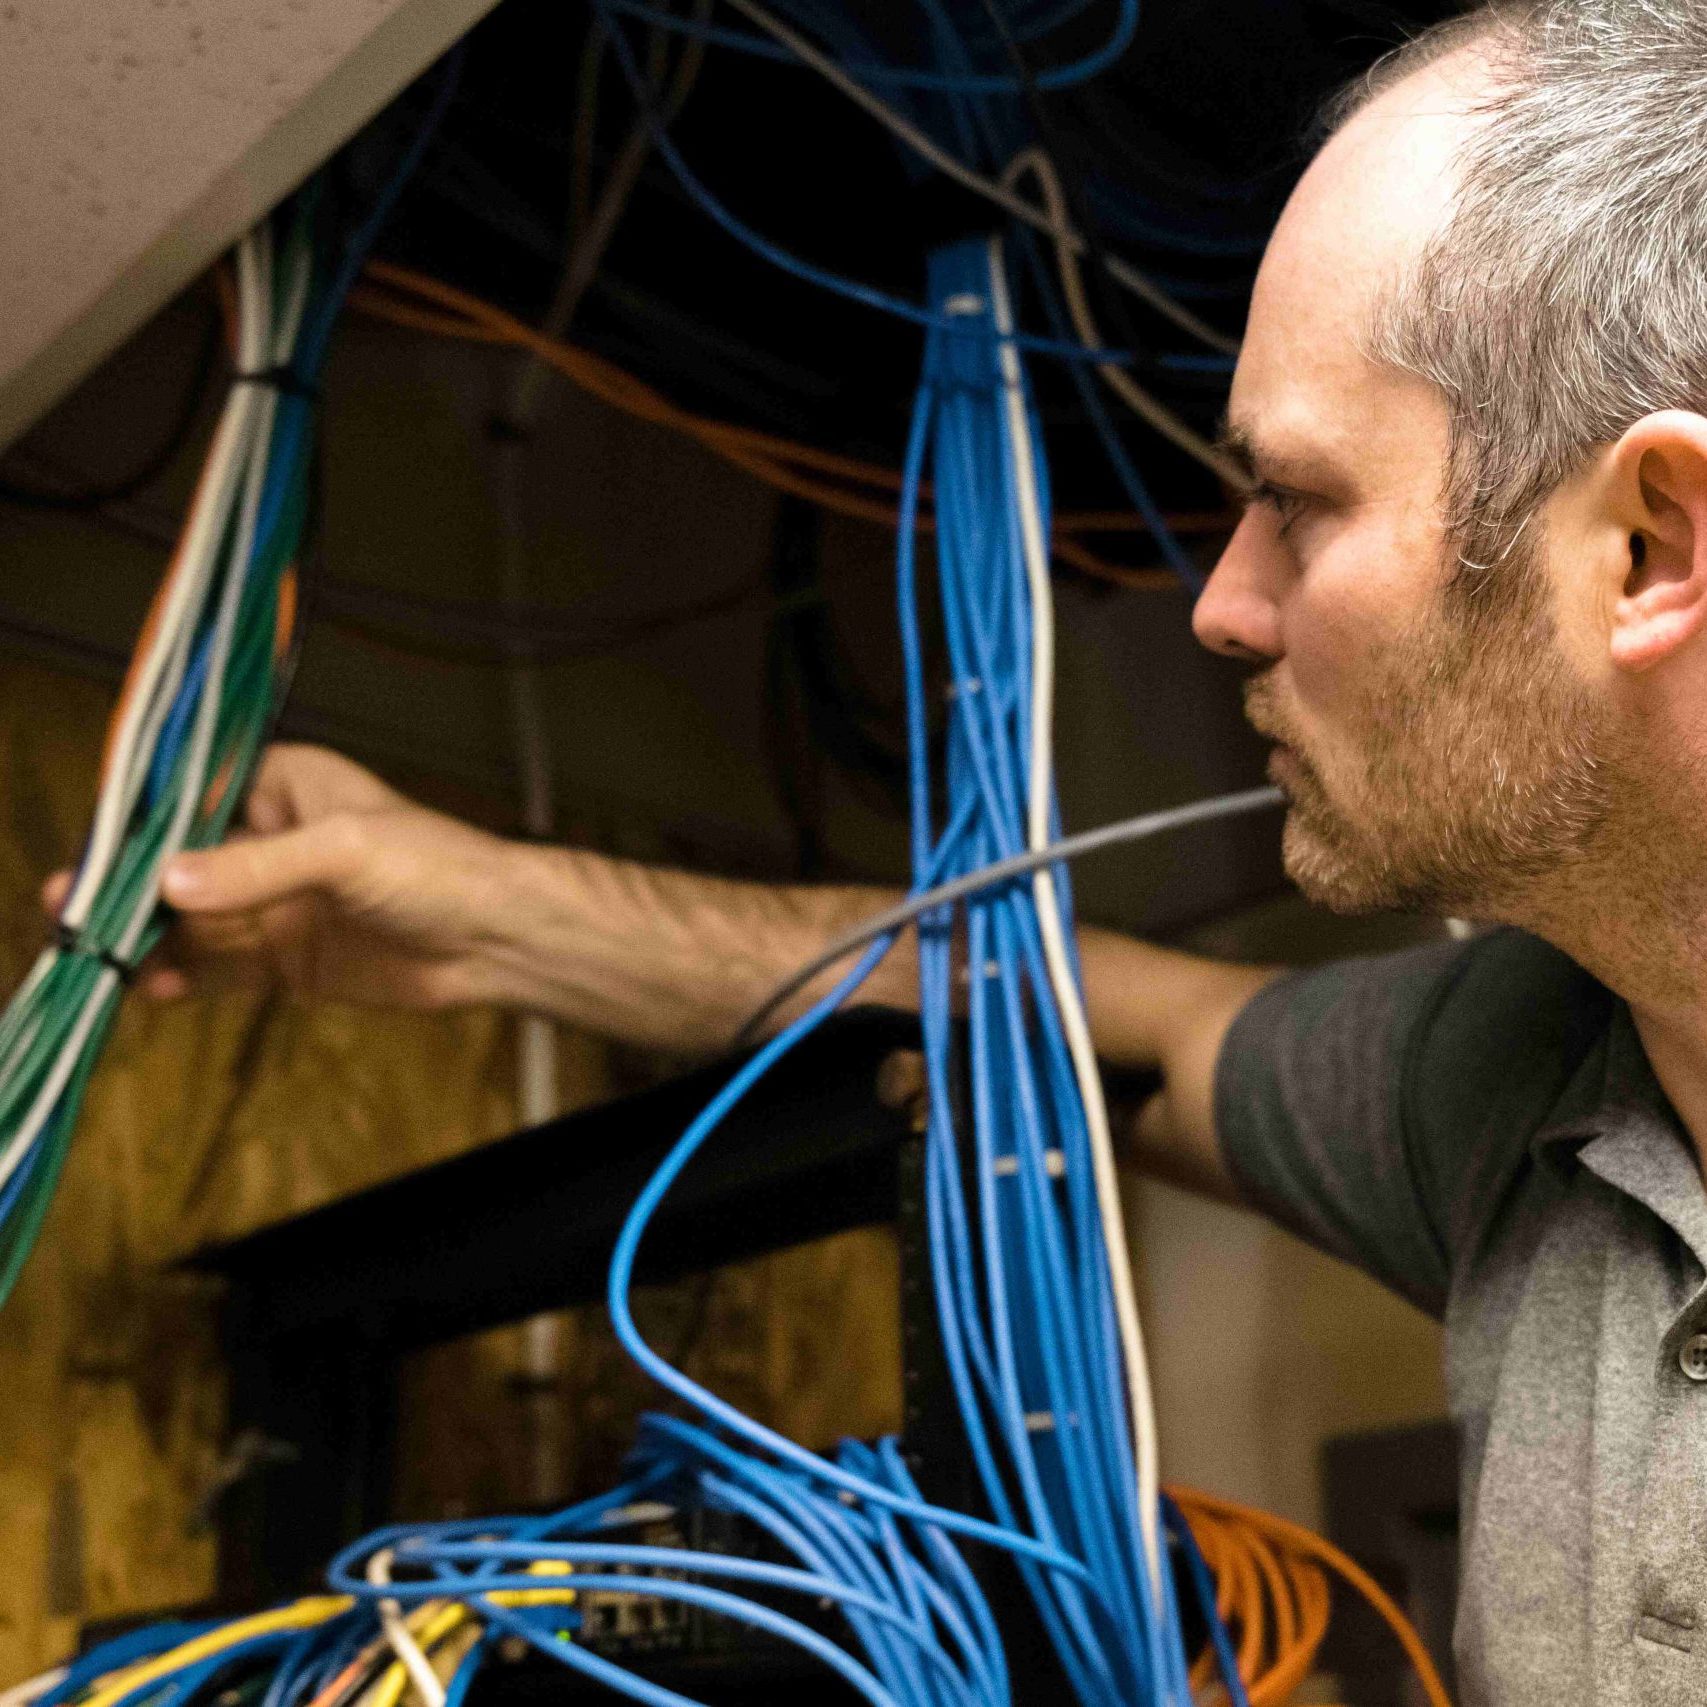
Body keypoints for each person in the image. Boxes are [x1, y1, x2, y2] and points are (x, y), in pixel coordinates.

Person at [60, 4, 1707, 1699]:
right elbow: (1100, 1023)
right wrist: (485, 915)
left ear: (1650, 543)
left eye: (1299, 501)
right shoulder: (1533, 1084)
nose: (1221, 606)